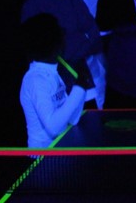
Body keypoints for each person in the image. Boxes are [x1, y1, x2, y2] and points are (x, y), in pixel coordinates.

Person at [22, 0, 106, 108]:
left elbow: (95, 35)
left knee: (92, 121)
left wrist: (73, 45)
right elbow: (43, 53)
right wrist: (81, 43)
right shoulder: (34, 5)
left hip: (81, 81)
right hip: (54, 92)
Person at [18, 13, 94, 148]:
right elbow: (54, 127)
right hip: (41, 157)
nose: (64, 41)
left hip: (59, 151)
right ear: (54, 44)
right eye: (60, 37)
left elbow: (73, 119)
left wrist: (81, 89)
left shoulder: (53, 73)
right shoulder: (36, 80)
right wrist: (78, 89)